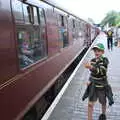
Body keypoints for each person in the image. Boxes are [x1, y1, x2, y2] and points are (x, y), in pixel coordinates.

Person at [82, 43, 114, 120]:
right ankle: (89, 119)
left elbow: (101, 71)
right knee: (90, 104)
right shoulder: (92, 60)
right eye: (95, 51)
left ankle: (103, 114)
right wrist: (89, 80)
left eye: (98, 51)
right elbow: (92, 73)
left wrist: (91, 67)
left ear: (102, 52)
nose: (96, 52)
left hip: (102, 86)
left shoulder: (105, 61)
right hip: (93, 86)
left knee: (103, 102)